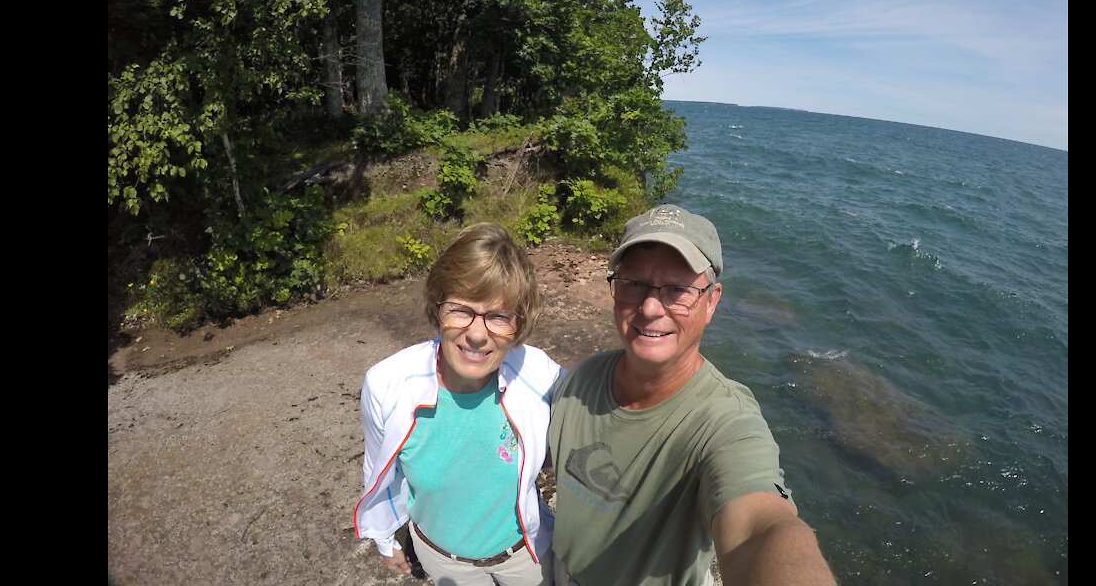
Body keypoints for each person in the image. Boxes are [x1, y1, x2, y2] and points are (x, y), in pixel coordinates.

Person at [548, 204, 837, 586]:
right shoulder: (582, 378)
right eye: (634, 283)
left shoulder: (723, 422)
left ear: (712, 301)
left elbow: (759, 527)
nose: (651, 307)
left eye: (678, 290)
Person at [353, 222, 564, 585]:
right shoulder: (387, 385)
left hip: (526, 554)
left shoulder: (540, 373)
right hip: (444, 562)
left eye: (499, 316)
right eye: (461, 310)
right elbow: (379, 470)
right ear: (438, 310)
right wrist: (384, 539)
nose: (478, 334)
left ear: (520, 323)